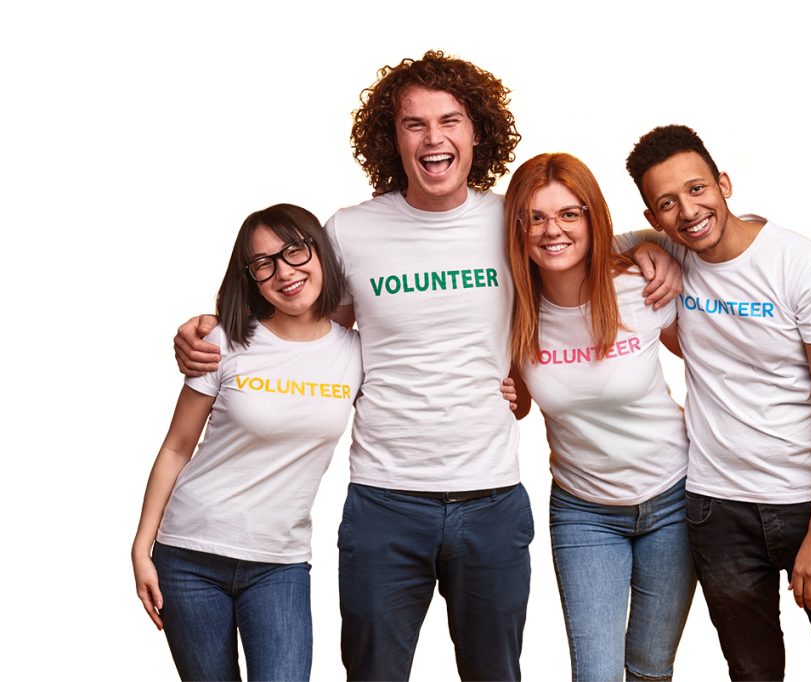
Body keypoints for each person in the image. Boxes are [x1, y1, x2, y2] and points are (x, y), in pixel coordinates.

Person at [173, 51, 680, 681]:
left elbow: (577, 238)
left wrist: (652, 246)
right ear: (394, 138)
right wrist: (212, 328)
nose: (434, 138)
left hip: (491, 497)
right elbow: (296, 311)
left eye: (450, 120)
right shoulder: (352, 231)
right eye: (415, 124)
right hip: (384, 500)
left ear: (476, 133)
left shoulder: (509, 221)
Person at [622, 125, 811, 681]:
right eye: (667, 204)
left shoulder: (804, 264)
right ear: (654, 216)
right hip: (716, 508)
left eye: (698, 189)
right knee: (752, 673)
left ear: (723, 184)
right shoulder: (669, 247)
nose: (688, 211)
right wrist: (649, 251)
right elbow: (577, 243)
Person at [132, 204, 362, 681]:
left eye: (294, 251)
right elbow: (177, 447)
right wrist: (141, 546)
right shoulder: (223, 341)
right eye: (264, 263)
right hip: (189, 555)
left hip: (279, 563)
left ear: (321, 252)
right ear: (252, 278)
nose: (284, 271)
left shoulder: (359, 352)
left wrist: (504, 389)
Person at [502, 152, 696, 681]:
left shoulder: (640, 285)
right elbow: (516, 402)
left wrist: (651, 245)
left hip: (674, 499)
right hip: (584, 512)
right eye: (535, 217)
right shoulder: (511, 309)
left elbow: (714, 358)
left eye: (570, 214)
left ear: (593, 219)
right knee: (596, 675)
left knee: (651, 668)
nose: (552, 230)